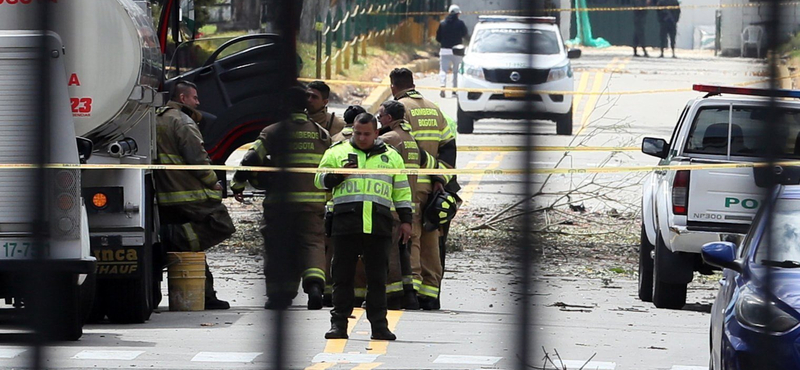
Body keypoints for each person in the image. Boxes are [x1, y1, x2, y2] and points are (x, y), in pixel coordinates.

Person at [230, 86, 331, 310]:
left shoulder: (273, 131)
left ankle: (279, 295)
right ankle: (314, 286)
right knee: (312, 243)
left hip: (281, 204)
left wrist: (237, 183)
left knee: (278, 248)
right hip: (313, 201)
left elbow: (250, 158)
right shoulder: (321, 134)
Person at [315, 113, 413, 341]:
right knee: (342, 278)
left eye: (367, 134)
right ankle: (338, 325)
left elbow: (402, 191)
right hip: (345, 224)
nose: (361, 137)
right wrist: (338, 176)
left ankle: (379, 326)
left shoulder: (392, 157)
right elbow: (318, 180)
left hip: (378, 225)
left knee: (378, 279)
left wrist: (406, 221)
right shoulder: (336, 152)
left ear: (376, 133)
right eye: (358, 133)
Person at [154, 80, 235, 310]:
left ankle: (205, 294)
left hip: (164, 196)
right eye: (195, 98)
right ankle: (175, 244)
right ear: (182, 99)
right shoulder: (182, 121)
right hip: (186, 196)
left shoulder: (156, 119)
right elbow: (197, 158)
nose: (198, 102)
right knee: (220, 224)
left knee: (191, 245)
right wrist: (214, 183)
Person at [390, 68, 456, 310]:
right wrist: (440, 176)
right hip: (433, 187)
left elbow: (402, 146)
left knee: (413, 236)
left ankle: (414, 291)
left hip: (411, 184)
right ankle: (431, 291)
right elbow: (449, 146)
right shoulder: (433, 108)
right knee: (431, 238)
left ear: (392, 86)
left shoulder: (398, 110)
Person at [377, 100, 451, 310]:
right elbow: (429, 162)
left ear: (389, 118)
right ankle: (421, 293)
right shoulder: (411, 140)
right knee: (417, 244)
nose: (378, 121)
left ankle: (402, 295)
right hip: (415, 202)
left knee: (398, 249)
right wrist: (439, 179)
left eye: (380, 117)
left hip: (395, 203)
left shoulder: (390, 139)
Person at [323, 104, 367, 307]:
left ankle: (331, 293)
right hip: (366, 210)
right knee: (361, 255)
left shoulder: (334, 142)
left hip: (336, 208)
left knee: (335, 255)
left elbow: (322, 180)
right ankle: (358, 294)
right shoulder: (374, 144)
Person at [435, 4, 468, 98]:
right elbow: (465, 34)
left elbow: (438, 38)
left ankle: (442, 87)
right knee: (456, 71)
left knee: (443, 70)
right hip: (457, 50)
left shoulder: (442, 23)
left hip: (444, 50)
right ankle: (454, 90)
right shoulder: (460, 23)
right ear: (458, 14)